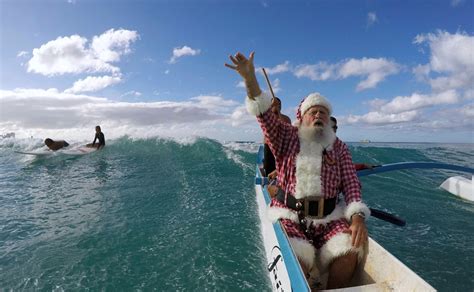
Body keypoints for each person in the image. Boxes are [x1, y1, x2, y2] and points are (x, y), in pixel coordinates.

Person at [226, 52, 369, 289]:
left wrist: (357, 217)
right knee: (296, 260)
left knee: (350, 252)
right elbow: (263, 115)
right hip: (290, 215)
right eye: (313, 111)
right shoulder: (286, 136)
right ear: (301, 118)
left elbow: (352, 184)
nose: (319, 115)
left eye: (323, 112)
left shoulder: (339, 147)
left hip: (329, 218)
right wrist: (250, 79)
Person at [264, 96, 291, 176]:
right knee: (269, 167)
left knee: (282, 167)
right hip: (269, 145)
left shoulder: (286, 119)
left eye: (279, 104)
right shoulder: (268, 117)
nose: (278, 106)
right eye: (275, 104)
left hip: (282, 146)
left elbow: (290, 133)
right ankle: (268, 183)